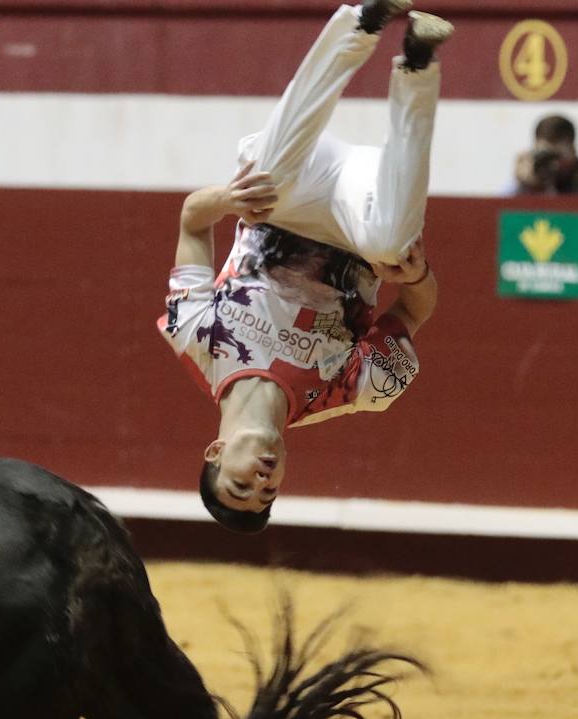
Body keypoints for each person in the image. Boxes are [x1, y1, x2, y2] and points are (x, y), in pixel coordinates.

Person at [158, 0, 448, 533]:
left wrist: (227, 198)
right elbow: (416, 309)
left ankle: (361, 21)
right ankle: (417, 64)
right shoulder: (351, 394)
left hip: (291, 192)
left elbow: (192, 221)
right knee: (394, 243)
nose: (262, 480)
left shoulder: (195, 340)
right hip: (358, 215)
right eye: (268, 492)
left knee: (260, 181)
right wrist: (418, 276)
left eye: (240, 483)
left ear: (216, 450)